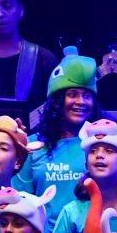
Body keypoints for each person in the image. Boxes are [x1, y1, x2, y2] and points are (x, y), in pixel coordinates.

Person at [20, 47, 97, 201]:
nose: (81, 102)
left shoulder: (103, 143)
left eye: (87, 96)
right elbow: (20, 202)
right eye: (72, 95)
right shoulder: (30, 145)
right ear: (57, 101)